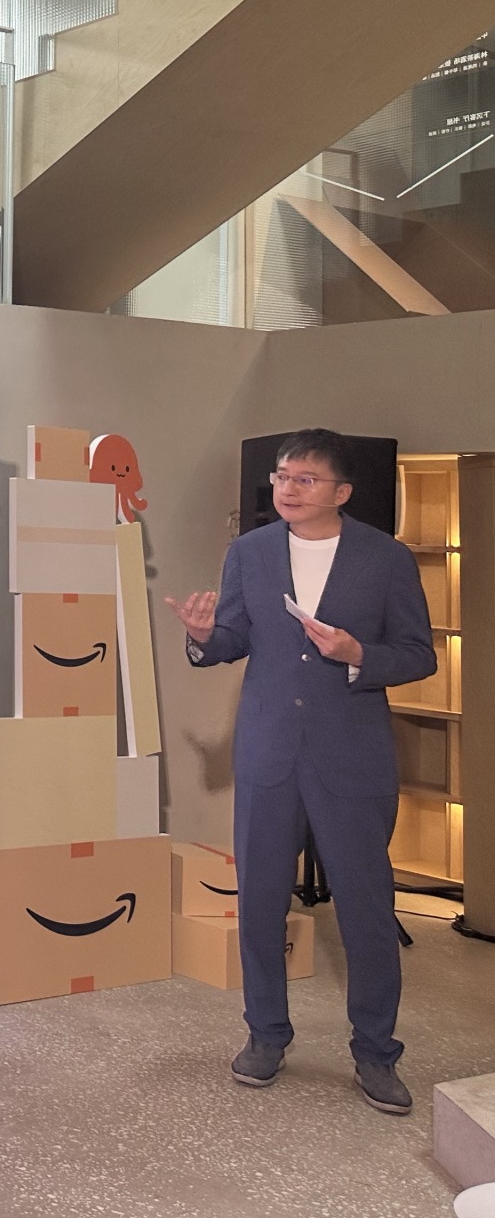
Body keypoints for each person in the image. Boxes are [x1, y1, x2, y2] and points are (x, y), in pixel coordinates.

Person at [165, 428, 435, 1114]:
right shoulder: (250, 552)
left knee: (367, 909)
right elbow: (232, 639)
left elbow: (417, 653)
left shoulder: (386, 558)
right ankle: (265, 1035)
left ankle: (376, 1052)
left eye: (304, 478)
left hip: (353, 756)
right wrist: (202, 637)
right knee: (259, 900)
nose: (287, 487)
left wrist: (357, 653)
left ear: (342, 492)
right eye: (282, 476)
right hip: (268, 753)